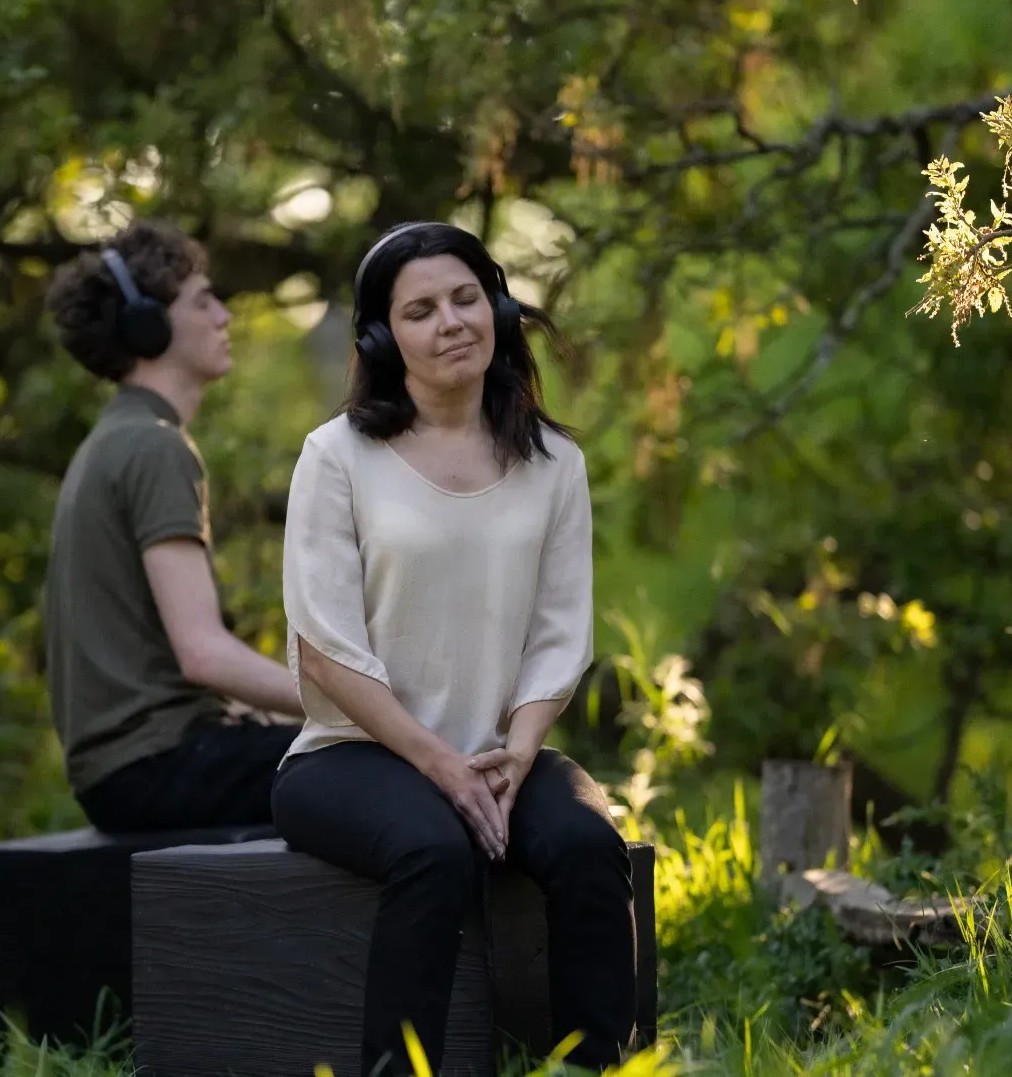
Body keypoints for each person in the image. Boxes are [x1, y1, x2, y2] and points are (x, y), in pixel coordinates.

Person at [272, 221, 635, 1075]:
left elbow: (561, 633)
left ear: (499, 307)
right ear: (381, 336)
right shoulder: (336, 458)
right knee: (433, 852)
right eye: (421, 310)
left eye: (467, 298)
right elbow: (324, 650)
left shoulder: (555, 463)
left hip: (501, 752)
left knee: (588, 846)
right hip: (351, 754)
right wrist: (438, 764)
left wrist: (518, 750)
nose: (452, 323)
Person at [42, 220, 304, 834]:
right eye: (204, 300)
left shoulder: (116, 440)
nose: (224, 317)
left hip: (135, 767)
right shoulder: (154, 448)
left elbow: (168, 656)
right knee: (392, 764)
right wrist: (362, 707)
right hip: (156, 767)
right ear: (148, 325)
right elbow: (202, 653)